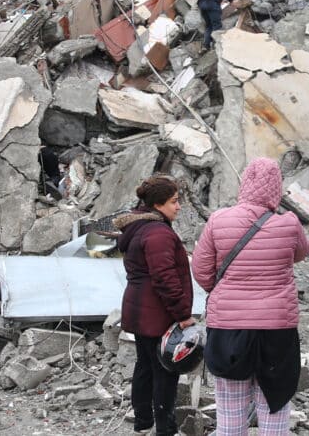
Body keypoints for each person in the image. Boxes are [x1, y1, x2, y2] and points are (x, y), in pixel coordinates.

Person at [192, 158, 309, 436]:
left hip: (229, 327)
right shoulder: (290, 224)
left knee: (230, 413)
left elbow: (200, 270)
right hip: (277, 328)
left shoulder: (218, 220)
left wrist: (225, 290)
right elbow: (301, 254)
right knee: (274, 405)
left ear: (244, 184)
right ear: (277, 189)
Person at [115, 175, 195, 436]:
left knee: (145, 365)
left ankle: (143, 424)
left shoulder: (139, 227)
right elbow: (165, 278)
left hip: (139, 310)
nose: (179, 206)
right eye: (174, 201)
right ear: (158, 205)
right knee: (165, 371)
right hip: (157, 314)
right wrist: (183, 315)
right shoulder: (159, 233)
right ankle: (164, 429)